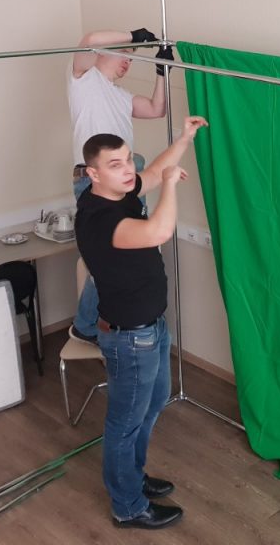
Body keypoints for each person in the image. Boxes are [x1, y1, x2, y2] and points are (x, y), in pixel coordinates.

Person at [74, 117, 208, 529]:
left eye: (127, 158)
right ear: (93, 173)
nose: (127, 169)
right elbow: (158, 231)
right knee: (124, 424)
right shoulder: (99, 218)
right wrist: (170, 186)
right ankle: (128, 506)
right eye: (115, 164)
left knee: (151, 406)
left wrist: (184, 139)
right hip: (130, 339)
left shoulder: (119, 192)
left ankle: (132, 477)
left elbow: (150, 172)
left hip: (151, 327)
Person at [68, 28, 176, 344]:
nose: (128, 62)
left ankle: (110, 324)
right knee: (109, 260)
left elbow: (157, 109)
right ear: (105, 53)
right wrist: (133, 35)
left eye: (132, 58)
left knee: (131, 257)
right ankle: (87, 325)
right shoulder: (83, 80)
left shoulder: (121, 96)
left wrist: (162, 71)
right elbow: (89, 39)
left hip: (128, 176)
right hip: (95, 178)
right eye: (125, 55)